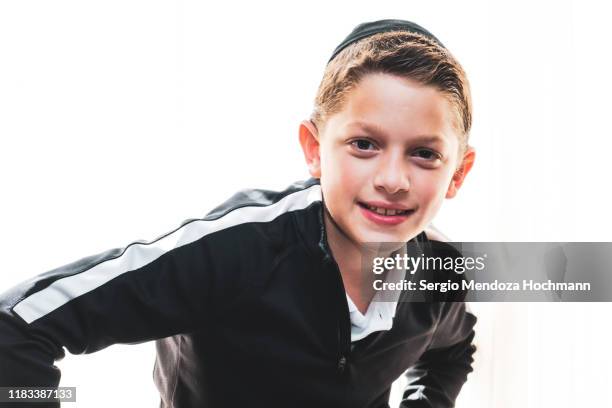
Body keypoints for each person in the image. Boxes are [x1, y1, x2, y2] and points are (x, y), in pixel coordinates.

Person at [0, 19, 477, 408]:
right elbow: (15, 328)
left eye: (424, 154)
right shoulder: (235, 250)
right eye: (364, 145)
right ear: (314, 150)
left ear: (458, 173)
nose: (392, 179)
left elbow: (453, 353)